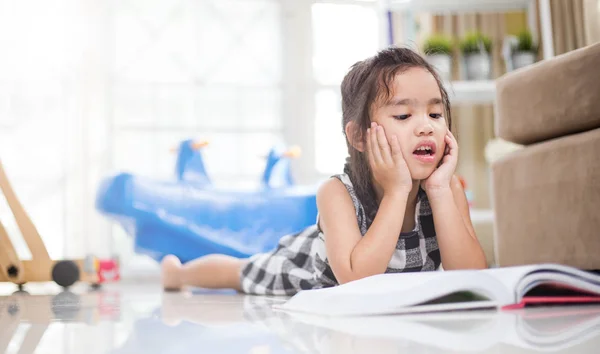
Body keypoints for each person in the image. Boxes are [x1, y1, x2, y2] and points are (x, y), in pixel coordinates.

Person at [161, 46, 488, 295]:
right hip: (305, 268)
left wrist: (442, 191)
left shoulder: (445, 190)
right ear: (359, 136)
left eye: (435, 114)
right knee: (242, 270)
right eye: (403, 116)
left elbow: (472, 278)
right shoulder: (337, 193)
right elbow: (357, 282)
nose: (425, 128)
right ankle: (177, 273)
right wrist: (397, 190)